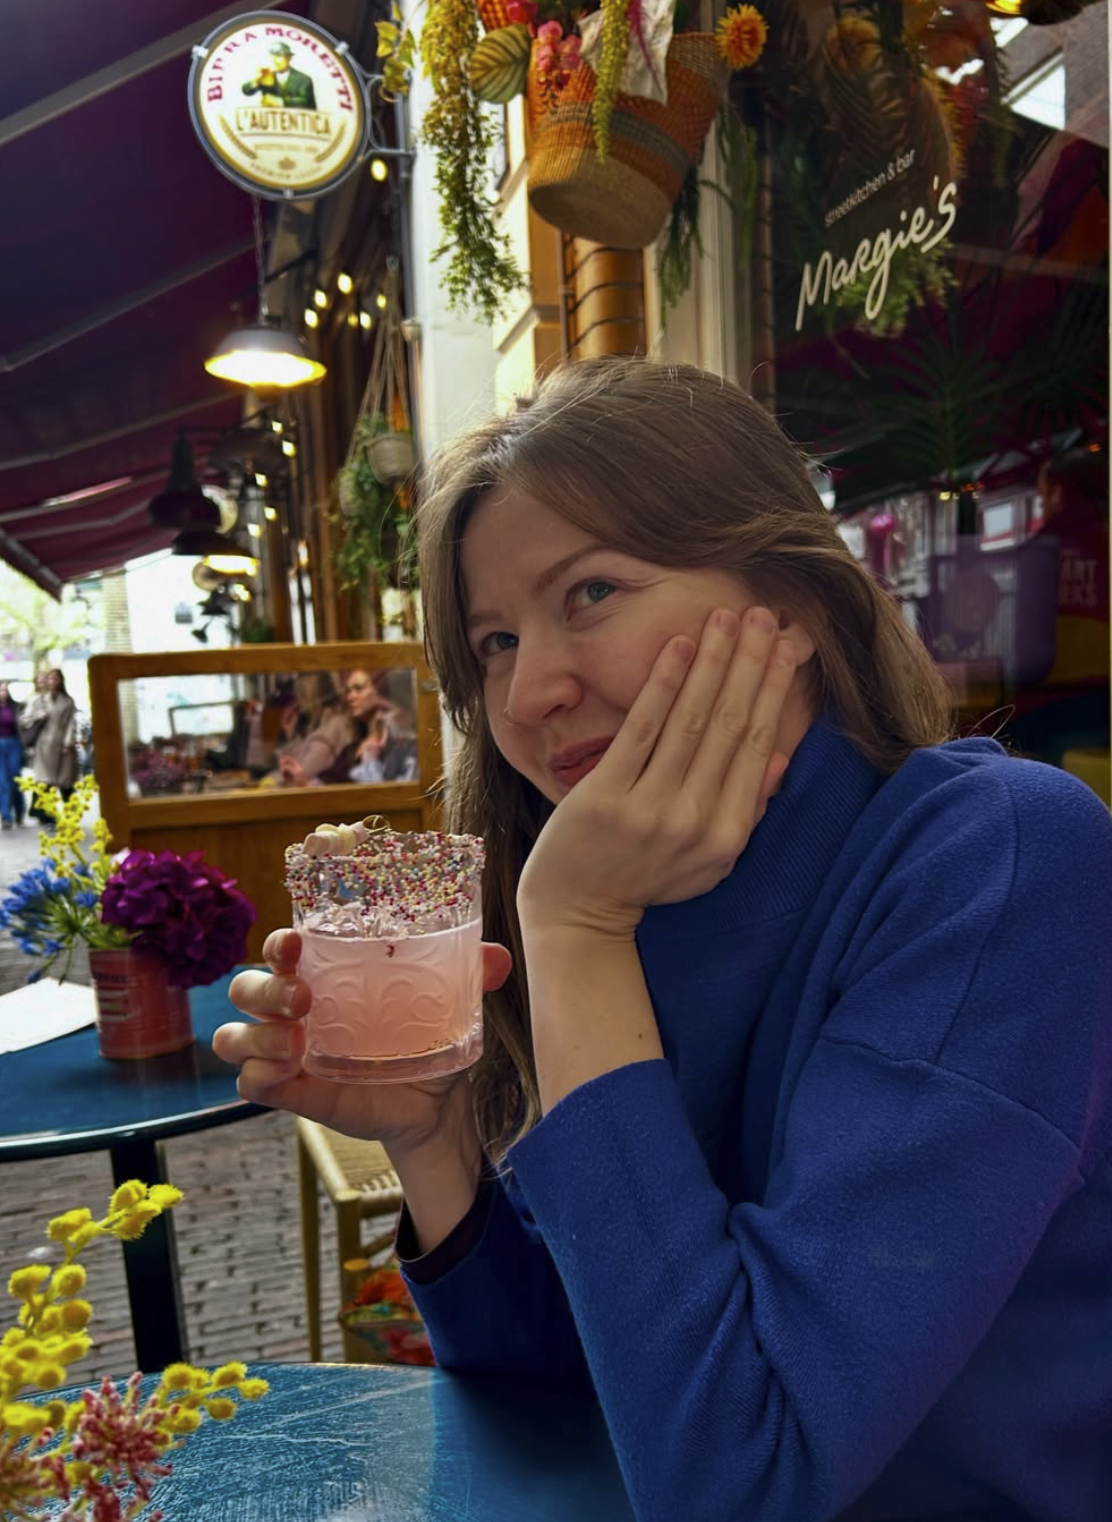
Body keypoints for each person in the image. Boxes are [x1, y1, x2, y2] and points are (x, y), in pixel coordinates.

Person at [215, 358, 1112, 1522]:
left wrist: (576, 933)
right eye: (491, 642)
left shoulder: (995, 860)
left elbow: (736, 1480)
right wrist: (434, 1140)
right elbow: (577, 1380)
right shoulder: (638, 891)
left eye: (590, 591)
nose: (531, 688)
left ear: (788, 604)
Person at [272, 673, 353, 787]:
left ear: (312, 698)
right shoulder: (321, 724)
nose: (299, 704)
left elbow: (301, 773)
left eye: (302, 697)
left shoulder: (331, 728)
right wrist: (290, 735)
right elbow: (301, 760)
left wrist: (269, 782)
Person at [19, 669, 77, 820]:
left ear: (61, 681)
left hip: (64, 747)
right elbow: (24, 720)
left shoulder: (68, 701)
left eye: (55, 679)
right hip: (44, 746)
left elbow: (71, 723)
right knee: (45, 782)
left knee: (66, 782)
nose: (52, 682)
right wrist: (37, 716)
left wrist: (68, 741)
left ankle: (70, 813)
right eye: (49, 679)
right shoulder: (38, 700)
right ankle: (46, 816)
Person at [241, 41, 317, 109]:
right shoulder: (267, 76)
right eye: (273, 56)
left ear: (289, 58)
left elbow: (306, 102)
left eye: (279, 56)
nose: (275, 60)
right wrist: (257, 80)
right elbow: (246, 91)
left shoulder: (303, 79)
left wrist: (280, 102)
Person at [0, 680, 25, 829]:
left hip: (14, 745)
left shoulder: (16, 707)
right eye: (1, 690)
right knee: (3, 783)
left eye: (5, 690)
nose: (3, 692)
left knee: (15, 780)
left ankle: (19, 811)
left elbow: (23, 726)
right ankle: (6, 816)